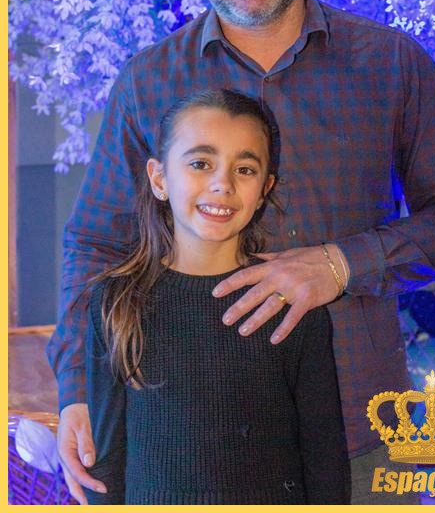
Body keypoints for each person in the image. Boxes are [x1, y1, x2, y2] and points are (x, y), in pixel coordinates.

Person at [48, 0, 435, 505]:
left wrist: (342, 264)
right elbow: (97, 243)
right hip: (189, 445)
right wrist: (79, 390)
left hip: (363, 435)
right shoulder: (148, 82)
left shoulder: (392, 64)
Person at [84, 88, 351, 504]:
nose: (222, 184)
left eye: (244, 169)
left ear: (264, 189)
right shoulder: (116, 302)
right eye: (200, 164)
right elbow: (107, 461)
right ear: (159, 178)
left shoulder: (291, 302)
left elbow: (325, 459)